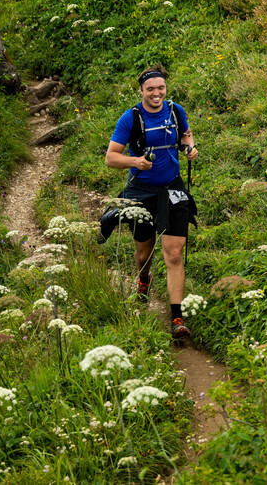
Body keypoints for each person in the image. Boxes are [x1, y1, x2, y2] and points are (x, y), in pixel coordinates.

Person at [105, 65, 199, 340]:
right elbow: (111, 157)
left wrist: (189, 148)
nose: (156, 93)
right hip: (141, 191)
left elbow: (186, 134)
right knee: (144, 253)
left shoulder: (175, 110)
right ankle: (143, 281)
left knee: (174, 253)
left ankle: (177, 317)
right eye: (151, 89)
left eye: (161, 88)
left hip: (172, 188)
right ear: (142, 91)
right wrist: (135, 161)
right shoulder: (130, 118)